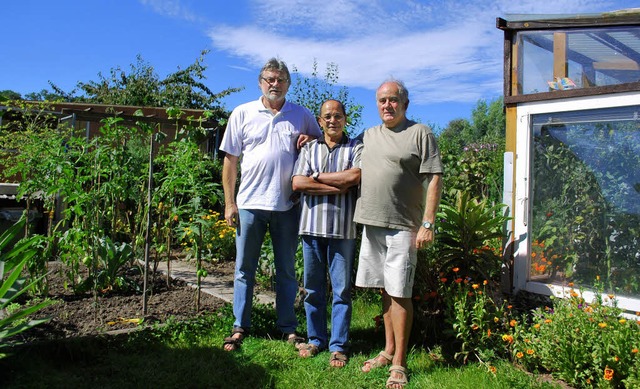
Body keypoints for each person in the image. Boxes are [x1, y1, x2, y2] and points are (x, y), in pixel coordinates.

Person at [219, 58, 322, 351]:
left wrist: (309, 139)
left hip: (287, 206)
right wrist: (229, 203)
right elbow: (230, 161)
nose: (274, 84)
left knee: (287, 270)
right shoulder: (242, 113)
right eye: (269, 79)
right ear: (260, 82)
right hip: (250, 203)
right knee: (243, 269)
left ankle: (287, 327)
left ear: (288, 84)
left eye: (280, 80)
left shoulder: (301, 114)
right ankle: (240, 325)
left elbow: (320, 143)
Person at [354, 79, 443, 388]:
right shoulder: (369, 135)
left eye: (393, 100)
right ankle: (388, 349)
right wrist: (306, 140)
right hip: (372, 222)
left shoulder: (420, 133)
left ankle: (400, 363)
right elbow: (337, 142)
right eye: (382, 100)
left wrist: (428, 223)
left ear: (405, 104)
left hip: (404, 226)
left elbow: (434, 178)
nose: (387, 105)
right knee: (383, 289)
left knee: (400, 292)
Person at [291, 99, 363, 368]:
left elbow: (353, 177)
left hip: (343, 230)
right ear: (320, 121)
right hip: (311, 229)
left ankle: (338, 345)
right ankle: (316, 338)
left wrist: (316, 178)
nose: (333, 120)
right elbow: (298, 182)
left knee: (342, 291)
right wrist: (335, 185)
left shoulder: (356, 147)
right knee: (313, 289)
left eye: (338, 116)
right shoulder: (309, 148)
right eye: (327, 117)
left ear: (345, 119)